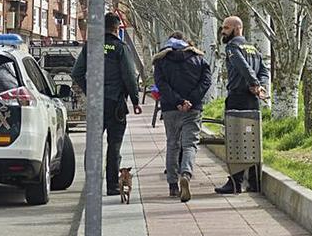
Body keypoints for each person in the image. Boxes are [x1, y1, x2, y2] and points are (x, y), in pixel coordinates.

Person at [71, 12, 142, 196]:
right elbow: (129, 76)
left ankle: (92, 185)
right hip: (115, 103)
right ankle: (112, 186)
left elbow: (77, 73)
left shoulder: (91, 47)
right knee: (114, 144)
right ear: (116, 28)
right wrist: (135, 100)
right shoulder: (120, 47)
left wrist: (91, 92)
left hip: (96, 103)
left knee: (93, 143)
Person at [153, 32, 212, 202]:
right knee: (190, 145)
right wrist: (190, 101)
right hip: (193, 109)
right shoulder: (199, 59)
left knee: (172, 144)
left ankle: (172, 185)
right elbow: (206, 82)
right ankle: (185, 173)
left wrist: (177, 101)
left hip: (170, 109)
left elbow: (161, 84)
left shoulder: (161, 61)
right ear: (187, 43)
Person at [215, 15, 271, 194]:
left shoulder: (233, 46)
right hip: (252, 99)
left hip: (238, 97)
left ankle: (235, 182)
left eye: (226, 28)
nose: (223, 31)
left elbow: (242, 65)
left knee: (236, 139)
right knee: (252, 138)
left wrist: (254, 84)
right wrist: (259, 86)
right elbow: (264, 70)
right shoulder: (253, 48)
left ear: (237, 28)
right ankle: (254, 182)